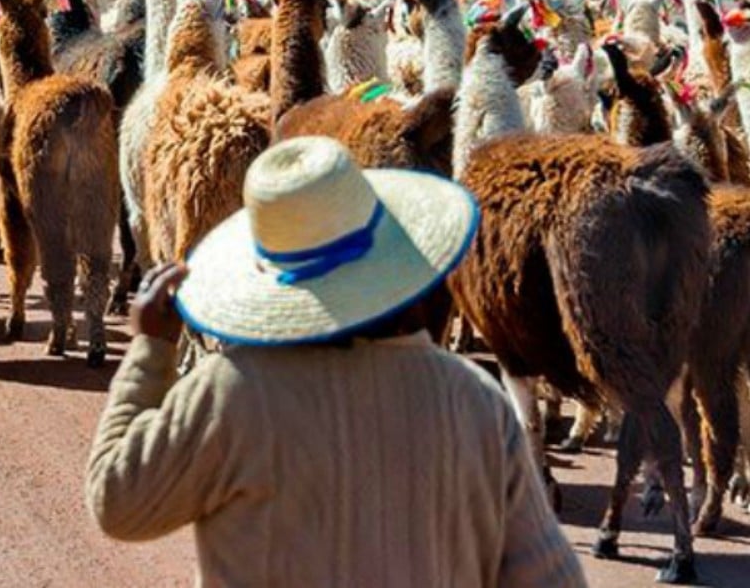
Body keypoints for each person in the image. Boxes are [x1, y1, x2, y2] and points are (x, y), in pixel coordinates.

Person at [85, 136, 585, 587]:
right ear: (394, 260)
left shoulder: (231, 395)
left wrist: (151, 351)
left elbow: (118, 501)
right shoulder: (473, 401)